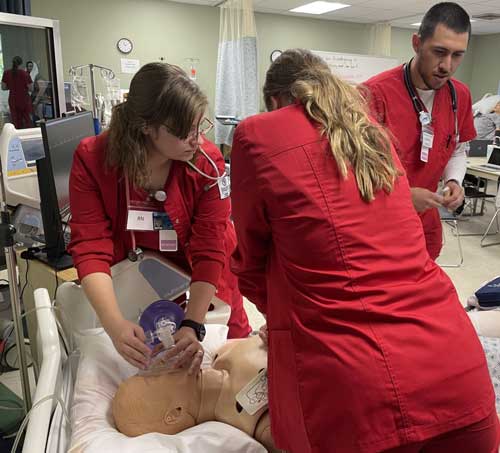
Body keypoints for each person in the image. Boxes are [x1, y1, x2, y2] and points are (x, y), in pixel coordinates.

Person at [230, 49, 498, 453]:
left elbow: (249, 263)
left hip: (364, 393)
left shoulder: (259, 133)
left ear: (274, 102)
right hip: (458, 370)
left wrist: (293, 320)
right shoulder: (370, 134)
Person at [69, 62, 251, 374]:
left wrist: (194, 323)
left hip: (206, 273)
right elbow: (90, 246)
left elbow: (210, 248)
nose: (196, 140)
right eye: (184, 132)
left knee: (231, 353)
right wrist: (114, 325)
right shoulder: (94, 159)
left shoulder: (205, 163)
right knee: (145, 358)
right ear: (146, 127)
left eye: (199, 127)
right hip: (135, 275)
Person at [363, 2, 475, 260]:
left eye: (457, 55)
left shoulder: (460, 95)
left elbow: (456, 148)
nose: (446, 65)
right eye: (439, 52)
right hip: (379, 226)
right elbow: (353, 171)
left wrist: (454, 181)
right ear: (416, 43)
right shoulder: (374, 95)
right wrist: (399, 198)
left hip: (425, 226)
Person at [1, 56, 33, 129]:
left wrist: (12, 87)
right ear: (21, 64)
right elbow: (31, 88)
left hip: (13, 100)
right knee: (27, 120)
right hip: (24, 100)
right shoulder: (25, 74)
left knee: (16, 122)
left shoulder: (6, 73)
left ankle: (17, 138)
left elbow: (3, 87)